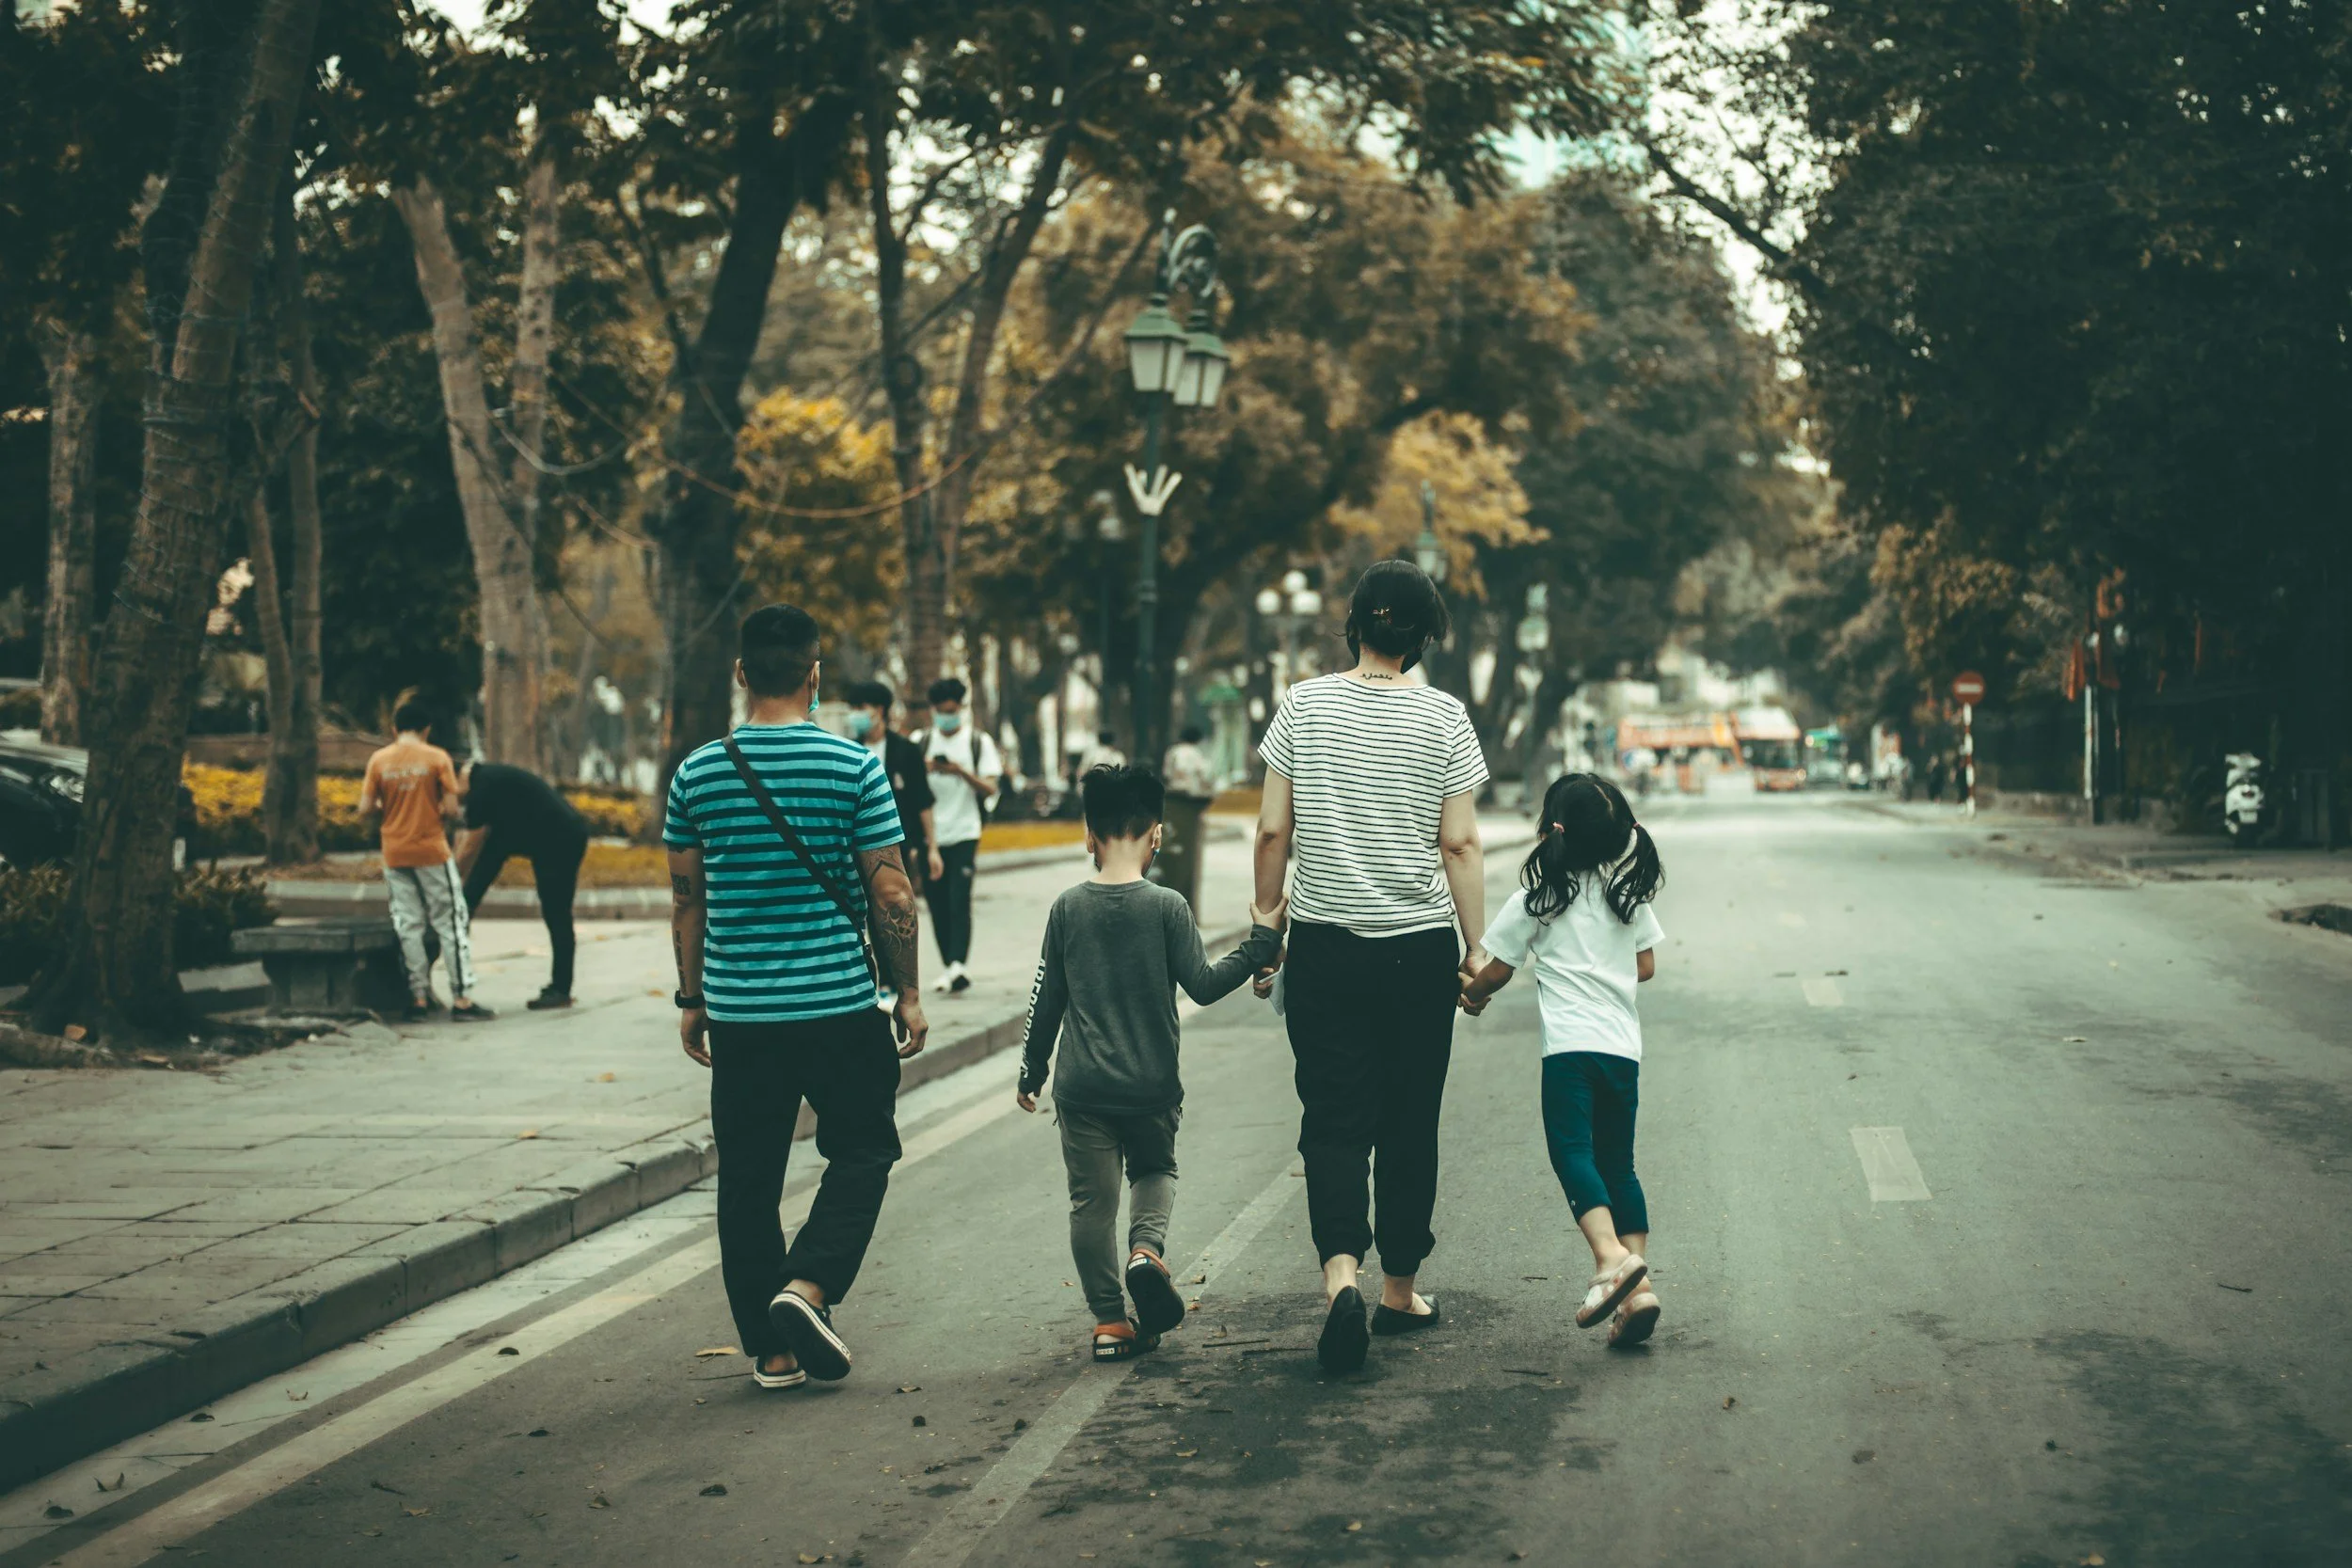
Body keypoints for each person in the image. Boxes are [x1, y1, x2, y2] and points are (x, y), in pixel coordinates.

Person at [665, 605, 928, 1390]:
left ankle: (772, 1350)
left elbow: (688, 901)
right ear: (815, 676)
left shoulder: (698, 772)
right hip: (839, 1008)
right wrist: (907, 990)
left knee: (747, 1175)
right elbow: (892, 891)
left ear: (742, 673)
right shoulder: (855, 767)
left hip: (742, 1014)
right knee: (866, 1147)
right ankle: (806, 1285)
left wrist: (692, 996)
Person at [1251, 560, 1488, 1373]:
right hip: (1418, 949)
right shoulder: (1447, 718)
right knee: (1408, 1117)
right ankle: (1397, 1290)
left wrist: (1266, 923)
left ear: (1354, 624)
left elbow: (1273, 831)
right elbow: (1458, 842)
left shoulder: (1304, 704)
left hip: (1324, 945)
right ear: (1423, 636)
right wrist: (1475, 946)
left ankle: (1338, 1276)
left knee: (1333, 1117)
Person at [1016, 765, 1285, 1361]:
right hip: (1151, 1083)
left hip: (1083, 1087)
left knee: (1090, 1204)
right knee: (1155, 1171)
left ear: (1089, 836)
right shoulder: (1166, 905)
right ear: (1156, 836)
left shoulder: (1066, 908)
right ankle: (1146, 1251)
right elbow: (1206, 984)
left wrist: (1031, 1071)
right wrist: (1261, 943)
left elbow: (1047, 997)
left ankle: (1110, 1323)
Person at [1459, 773, 1665, 1347]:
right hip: (1622, 1051)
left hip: (1570, 1052)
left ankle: (1610, 1261)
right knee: (1618, 1164)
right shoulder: (1626, 892)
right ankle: (1638, 1291)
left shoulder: (1538, 898)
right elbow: (1645, 967)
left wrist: (1471, 995)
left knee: (1572, 1151)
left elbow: (1496, 969)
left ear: (1554, 831)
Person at [359, 700, 491, 1023]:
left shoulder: (379, 760)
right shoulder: (436, 758)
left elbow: (365, 809)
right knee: (451, 921)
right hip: (431, 851)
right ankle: (461, 999)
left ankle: (417, 998)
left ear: (395, 728)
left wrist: (391, 808)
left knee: (408, 924)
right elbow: (450, 810)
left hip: (395, 852)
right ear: (426, 730)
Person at [454, 759, 590, 1009]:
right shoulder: (488, 782)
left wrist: (450, 882)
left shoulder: (481, 788)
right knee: (468, 897)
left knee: (556, 913)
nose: (454, 802)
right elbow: (474, 851)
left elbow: (469, 848)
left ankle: (560, 989)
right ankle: (454, 980)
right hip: (530, 836)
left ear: (458, 778)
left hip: (561, 839)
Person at [846, 679, 943, 1009]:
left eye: (863, 708)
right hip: (854, 849)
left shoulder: (904, 751)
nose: (857, 715)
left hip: (899, 846)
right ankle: (880, 981)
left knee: (891, 906)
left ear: (881, 711)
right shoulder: (848, 751)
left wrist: (931, 846)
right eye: (854, 708)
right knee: (867, 916)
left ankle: (893, 983)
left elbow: (922, 801)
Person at [920, 677, 1000, 994]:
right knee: (937, 902)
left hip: (966, 831)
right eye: (941, 712)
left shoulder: (978, 742)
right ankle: (949, 966)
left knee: (958, 898)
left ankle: (958, 965)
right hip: (931, 837)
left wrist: (960, 772)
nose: (946, 717)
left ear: (962, 709)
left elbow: (992, 786)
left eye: (951, 711)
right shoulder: (921, 742)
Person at [1161, 725, 1217, 799]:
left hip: (1172, 790)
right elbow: (1200, 772)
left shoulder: (1172, 751)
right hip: (1190, 792)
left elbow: (1167, 773)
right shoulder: (1194, 752)